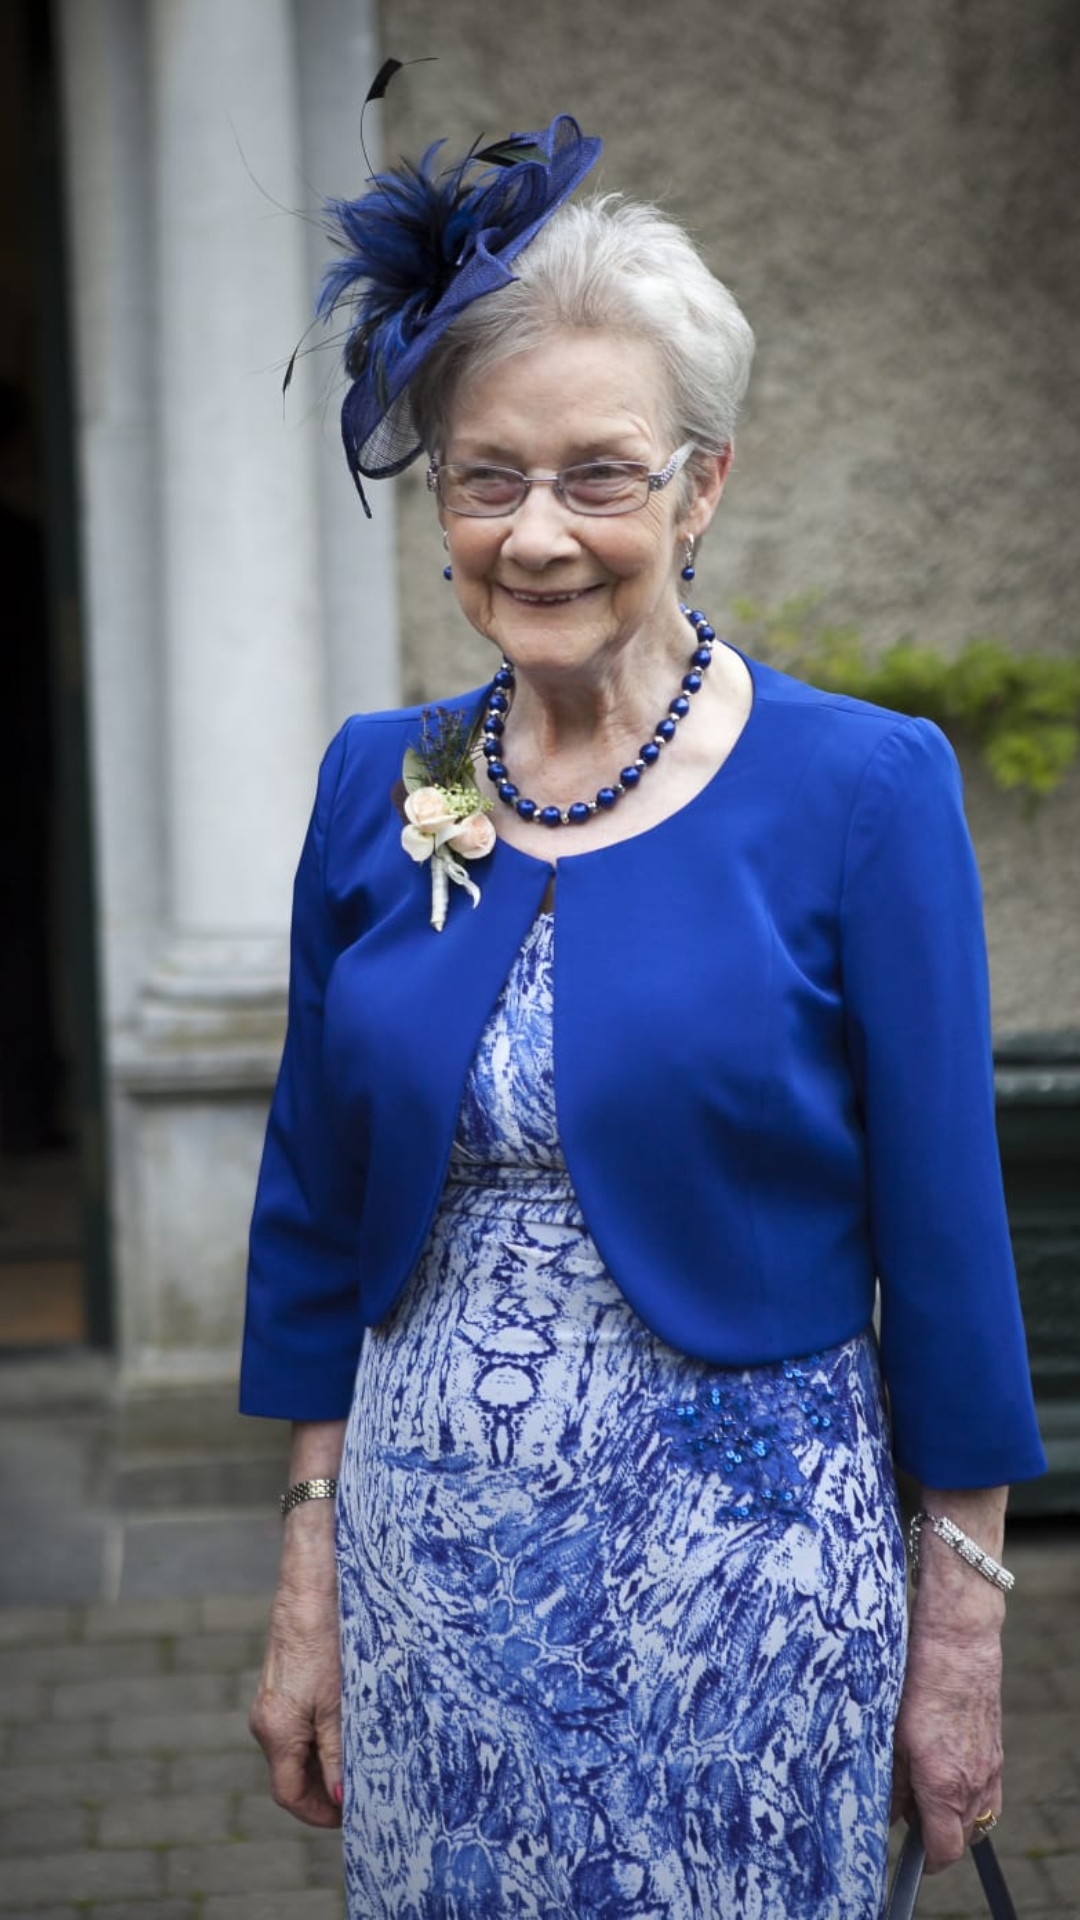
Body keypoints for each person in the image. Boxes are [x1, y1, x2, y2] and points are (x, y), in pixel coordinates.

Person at [241, 113, 1045, 1920]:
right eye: (486, 478)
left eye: (599, 477)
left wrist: (962, 1632)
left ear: (702, 488)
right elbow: (308, 1203)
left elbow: (946, 1237)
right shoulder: (381, 784)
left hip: (743, 1598)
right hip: (430, 1593)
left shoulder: (861, 789)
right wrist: (305, 1575)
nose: (536, 534)